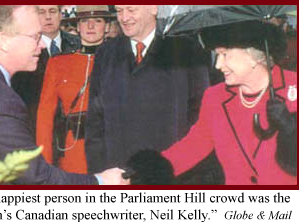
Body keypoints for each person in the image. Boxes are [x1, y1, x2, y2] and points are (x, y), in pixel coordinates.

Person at [0, 5, 128, 185]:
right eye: (35, 37)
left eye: (97, 21)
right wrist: (101, 181)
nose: (42, 44)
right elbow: (36, 178)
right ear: (3, 40)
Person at [85, 5, 215, 183]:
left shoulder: (187, 50)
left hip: (170, 175)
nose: (124, 17)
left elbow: (201, 117)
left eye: (131, 10)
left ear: (154, 8)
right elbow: (95, 122)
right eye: (119, 10)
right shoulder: (105, 54)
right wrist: (100, 175)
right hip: (119, 177)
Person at [160, 20, 297, 185]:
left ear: (253, 57)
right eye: (217, 56)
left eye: (224, 55)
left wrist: (291, 132)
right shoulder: (215, 98)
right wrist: (141, 174)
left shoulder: (294, 88)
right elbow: (193, 147)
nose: (218, 65)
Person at [36, 5, 111, 174]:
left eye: (97, 21)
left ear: (107, 27)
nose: (90, 26)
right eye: (84, 21)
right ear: (77, 26)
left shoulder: (121, 62)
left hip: (111, 152)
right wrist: (45, 166)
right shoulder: (58, 64)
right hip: (73, 153)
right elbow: (44, 119)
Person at [11, 5, 81, 136]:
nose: (48, 17)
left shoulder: (78, 44)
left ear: (61, 14)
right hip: (37, 128)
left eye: (53, 11)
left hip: (74, 129)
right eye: (41, 12)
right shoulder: (23, 48)